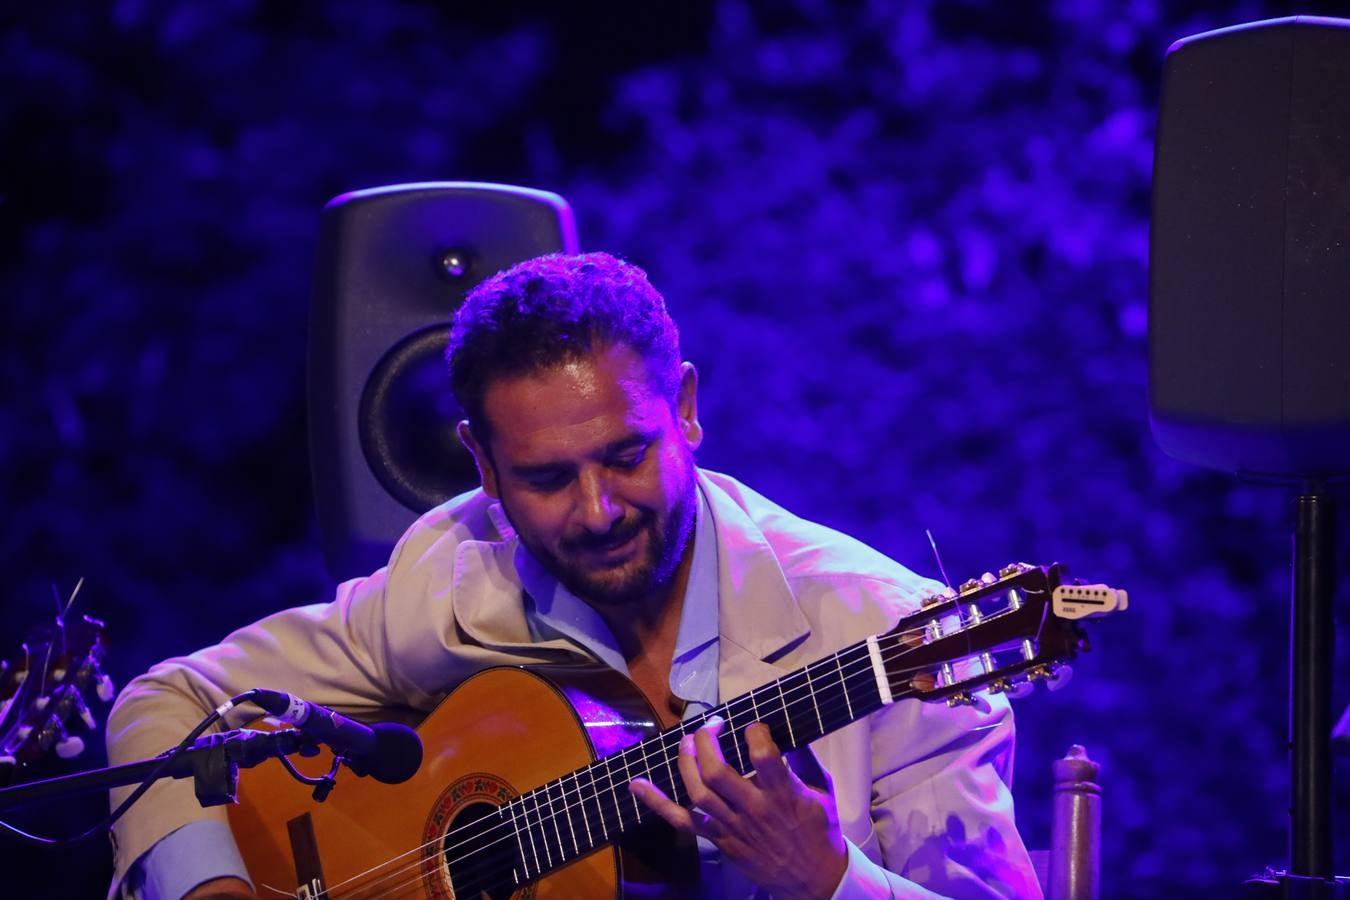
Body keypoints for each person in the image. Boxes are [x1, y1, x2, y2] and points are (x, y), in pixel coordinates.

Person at [106, 252, 1041, 899]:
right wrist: (214, 887)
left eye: (627, 455)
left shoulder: (887, 629)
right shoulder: (448, 579)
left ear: (684, 409)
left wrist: (824, 879)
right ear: (483, 465)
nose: (597, 511)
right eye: (548, 479)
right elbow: (172, 702)